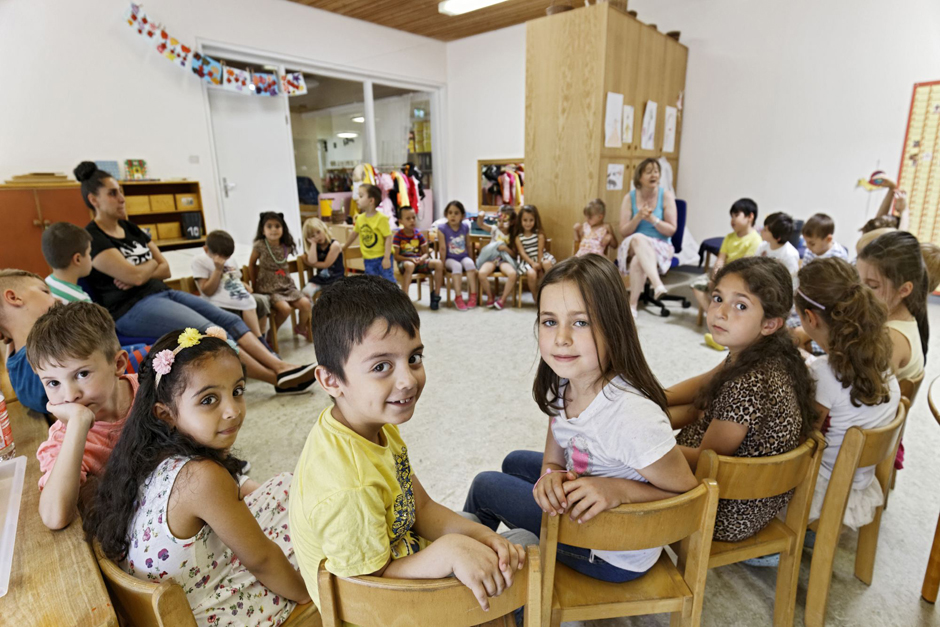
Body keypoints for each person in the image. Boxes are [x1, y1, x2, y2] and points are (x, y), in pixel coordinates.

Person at [290, 276, 529, 611]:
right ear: (330, 380)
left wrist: (481, 538)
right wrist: (448, 553)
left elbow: (422, 507)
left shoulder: (373, 423)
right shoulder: (348, 488)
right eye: (381, 366)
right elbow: (371, 590)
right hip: (385, 606)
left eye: (414, 358)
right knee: (526, 550)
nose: (407, 380)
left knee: (488, 537)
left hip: (402, 556)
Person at [464, 255, 697, 582]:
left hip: (615, 549)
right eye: (549, 321)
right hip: (585, 503)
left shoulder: (631, 415)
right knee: (513, 461)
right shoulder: (564, 379)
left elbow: (686, 496)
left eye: (580, 322)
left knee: (485, 487)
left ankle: (459, 582)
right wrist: (551, 473)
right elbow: (556, 447)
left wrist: (619, 490)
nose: (561, 338)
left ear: (614, 327)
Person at [84, 328, 311, 625]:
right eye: (208, 400)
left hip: (184, 593)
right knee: (317, 530)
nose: (232, 410)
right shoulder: (202, 476)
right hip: (209, 611)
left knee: (287, 487)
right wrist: (308, 596)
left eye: (237, 391)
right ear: (166, 414)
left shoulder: (147, 453)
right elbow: (263, 560)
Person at [74, 162, 314, 394]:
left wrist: (140, 272)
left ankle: (280, 366)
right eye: (113, 193)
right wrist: (146, 268)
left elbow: (164, 268)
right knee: (210, 330)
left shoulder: (130, 229)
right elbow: (139, 275)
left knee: (228, 319)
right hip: (131, 308)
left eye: (121, 192)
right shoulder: (94, 238)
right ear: (94, 200)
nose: (122, 198)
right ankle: (277, 380)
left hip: (161, 292)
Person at [667, 257, 817, 542]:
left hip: (726, 510)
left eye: (741, 306)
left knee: (616, 464)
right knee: (658, 417)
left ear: (770, 324)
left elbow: (705, 462)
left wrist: (646, 443)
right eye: (717, 298)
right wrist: (654, 399)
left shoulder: (748, 385)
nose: (720, 313)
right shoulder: (757, 351)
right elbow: (704, 383)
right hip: (742, 495)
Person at [28, 302, 139, 530]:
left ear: (118, 364)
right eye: (53, 383)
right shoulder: (64, 438)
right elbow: (54, 517)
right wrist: (78, 423)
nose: (70, 396)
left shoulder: (154, 391)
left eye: (82, 374)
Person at [0, 270, 149, 415]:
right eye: (45, 291)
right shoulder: (45, 362)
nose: (57, 299)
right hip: (117, 377)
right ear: (14, 297)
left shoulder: (14, 364)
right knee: (150, 351)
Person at [690, 198, 761, 349]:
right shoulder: (729, 237)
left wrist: (723, 280)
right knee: (697, 286)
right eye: (731, 216)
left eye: (737, 215)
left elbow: (746, 267)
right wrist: (716, 275)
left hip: (740, 279)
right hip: (724, 275)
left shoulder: (755, 239)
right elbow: (720, 259)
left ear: (750, 217)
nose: (732, 220)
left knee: (730, 296)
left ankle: (727, 330)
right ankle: (715, 324)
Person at [857, 231, 928, 381]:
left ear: (904, 290)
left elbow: (864, 395)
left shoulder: (891, 339)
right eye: (859, 281)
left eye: (872, 286)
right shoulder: (895, 314)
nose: (860, 291)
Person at [617, 159, 678, 317]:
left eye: (656, 171)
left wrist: (653, 220)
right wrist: (638, 217)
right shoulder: (628, 198)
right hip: (632, 243)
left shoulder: (666, 196)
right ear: (639, 177)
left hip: (660, 244)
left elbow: (671, 230)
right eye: (649, 171)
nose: (654, 175)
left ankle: (632, 306)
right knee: (638, 238)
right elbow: (624, 231)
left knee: (639, 260)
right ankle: (658, 284)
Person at [192, 229, 271, 344]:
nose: (225, 260)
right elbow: (207, 291)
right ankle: (255, 343)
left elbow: (234, 278)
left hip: (234, 294)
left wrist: (244, 285)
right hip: (217, 300)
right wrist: (218, 270)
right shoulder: (199, 261)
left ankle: (260, 338)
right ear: (206, 249)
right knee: (239, 309)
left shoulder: (230, 259)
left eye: (227, 257)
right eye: (223, 257)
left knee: (262, 300)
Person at [249, 212, 312, 342]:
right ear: (263, 230)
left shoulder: (286, 246)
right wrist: (254, 286)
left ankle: (300, 328)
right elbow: (251, 264)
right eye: (269, 226)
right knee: (285, 309)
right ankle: (271, 334)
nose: (273, 230)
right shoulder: (260, 245)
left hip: (286, 285)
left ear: (283, 228)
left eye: (277, 226)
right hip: (269, 287)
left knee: (306, 304)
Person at [393, 207, 444, 310]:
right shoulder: (398, 236)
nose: (412, 220)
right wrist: (409, 259)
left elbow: (426, 253)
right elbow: (396, 256)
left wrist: (422, 258)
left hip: (419, 262)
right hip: (405, 263)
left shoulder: (419, 235)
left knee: (438, 263)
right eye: (408, 218)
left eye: (413, 218)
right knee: (410, 265)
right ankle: (404, 298)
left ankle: (436, 295)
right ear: (401, 221)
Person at [344, 184, 395, 283]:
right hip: (368, 259)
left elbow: (388, 238)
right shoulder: (360, 218)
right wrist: (345, 246)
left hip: (382, 257)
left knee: (389, 283)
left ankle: (396, 298)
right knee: (371, 284)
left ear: (371, 201)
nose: (357, 199)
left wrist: (386, 258)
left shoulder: (381, 218)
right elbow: (354, 233)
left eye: (361, 196)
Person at [437, 200, 478, 310]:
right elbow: (442, 248)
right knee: (457, 267)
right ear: (446, 215)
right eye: (450, 213)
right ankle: (458, 296)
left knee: (470, 264)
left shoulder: (465, 227)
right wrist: (442, 264)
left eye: (456, 213)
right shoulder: (442, 229)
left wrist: (472, 259)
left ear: (462, 216)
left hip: (463, 256)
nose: (453, 216)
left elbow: (468, 245)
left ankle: (473, 295)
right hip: (450, 259)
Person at [476, 205, 518, 309]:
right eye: (499, 220)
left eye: (504, 221)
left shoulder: (513, 235)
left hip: (505, 261)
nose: (501, 224)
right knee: (481, 273)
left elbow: (514, 254)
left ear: (512, 222)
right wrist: (481, 216)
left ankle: (502, 299)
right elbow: (481, 225)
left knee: (512, 274)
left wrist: (505, 249)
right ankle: (490, 296)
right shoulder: (494, 229)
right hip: (492, 259)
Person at [41, 222, 93, 304]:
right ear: (77, 259)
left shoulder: (43, 285)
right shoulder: (82, 302)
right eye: (89, 253)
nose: (90, 257)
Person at [515, 205, 557, 303]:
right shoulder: (518, 237)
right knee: (531, 274)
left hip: (540, 257)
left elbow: (540, 251)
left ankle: (552, 289)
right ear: (520, 221)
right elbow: (522, 253)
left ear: (535, 220)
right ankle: (535, 296)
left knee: (546, 264)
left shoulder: (539, 234)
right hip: (527, 261)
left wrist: (539, 263)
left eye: (531, 220)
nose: (528, 223)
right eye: (525, 220)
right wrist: (532, 264)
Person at [300, 217, 344, 298]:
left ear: (324, 229)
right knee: (305, 292)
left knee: (331, 296)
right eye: (313, 236)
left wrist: (309, 263)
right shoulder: (316, 246)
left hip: (336, 279)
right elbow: (312, 261)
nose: (317, 237)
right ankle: (311, 310)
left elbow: (325, 265)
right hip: (320, 279)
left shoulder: (334, 245)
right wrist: (313, 244)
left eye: (318, 232)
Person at [755, 212, 800, 288]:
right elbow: (754, 265)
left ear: (777, 237)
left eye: (765, 230)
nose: (761, 231)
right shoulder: (762, 246)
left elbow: (792, 281)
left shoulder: (790, 254)